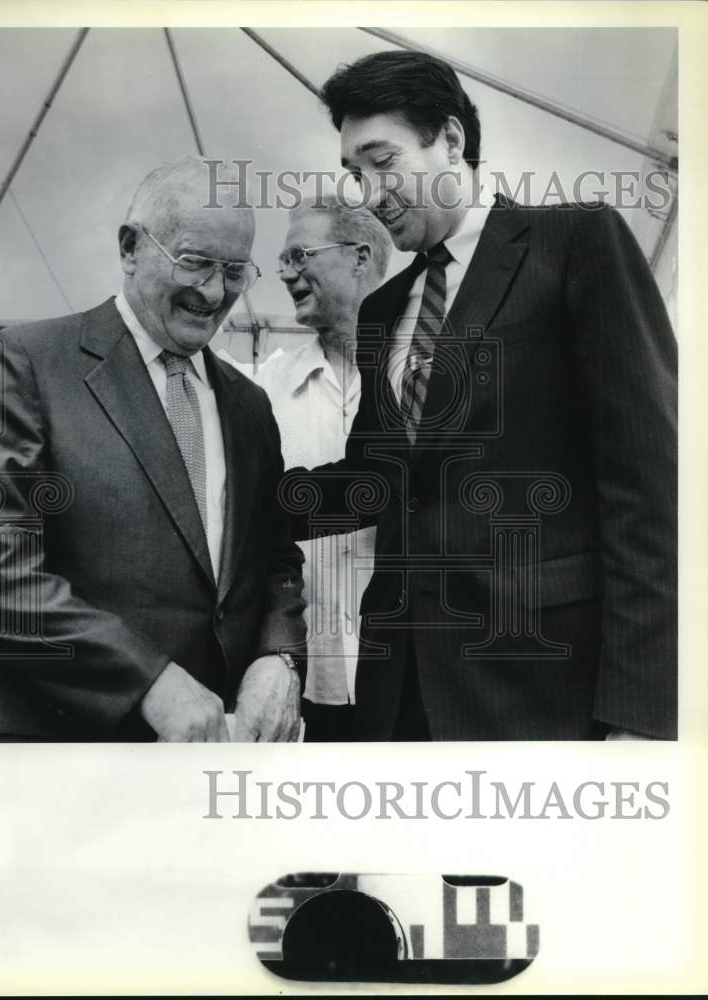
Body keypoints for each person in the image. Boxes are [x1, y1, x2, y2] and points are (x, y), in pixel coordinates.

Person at [282, 50, 677, 740]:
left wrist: (641, 713)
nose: (369, 194)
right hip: (397, 696)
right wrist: (240, 498)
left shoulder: (575, 242)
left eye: (383, 162)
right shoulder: (380, 312)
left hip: (538, 690)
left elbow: (652, 489)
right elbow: (380, 481)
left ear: (452, 140)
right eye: (353, 174)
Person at [0, 156, 306, 742]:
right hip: (56, 756)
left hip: (210, 755)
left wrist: (279, 655)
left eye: (235, 271)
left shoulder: (250, 406)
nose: (214, 292)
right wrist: (146, 681)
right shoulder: (27, 364)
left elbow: (274, 557)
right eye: (194, 263)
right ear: (131, 248)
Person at [257, 196, 391, 741]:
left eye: (299, 254)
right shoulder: (264, 387)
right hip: (300, 681)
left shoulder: (422, 380)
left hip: (403, 678)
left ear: (360, 257)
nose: (285, 273)